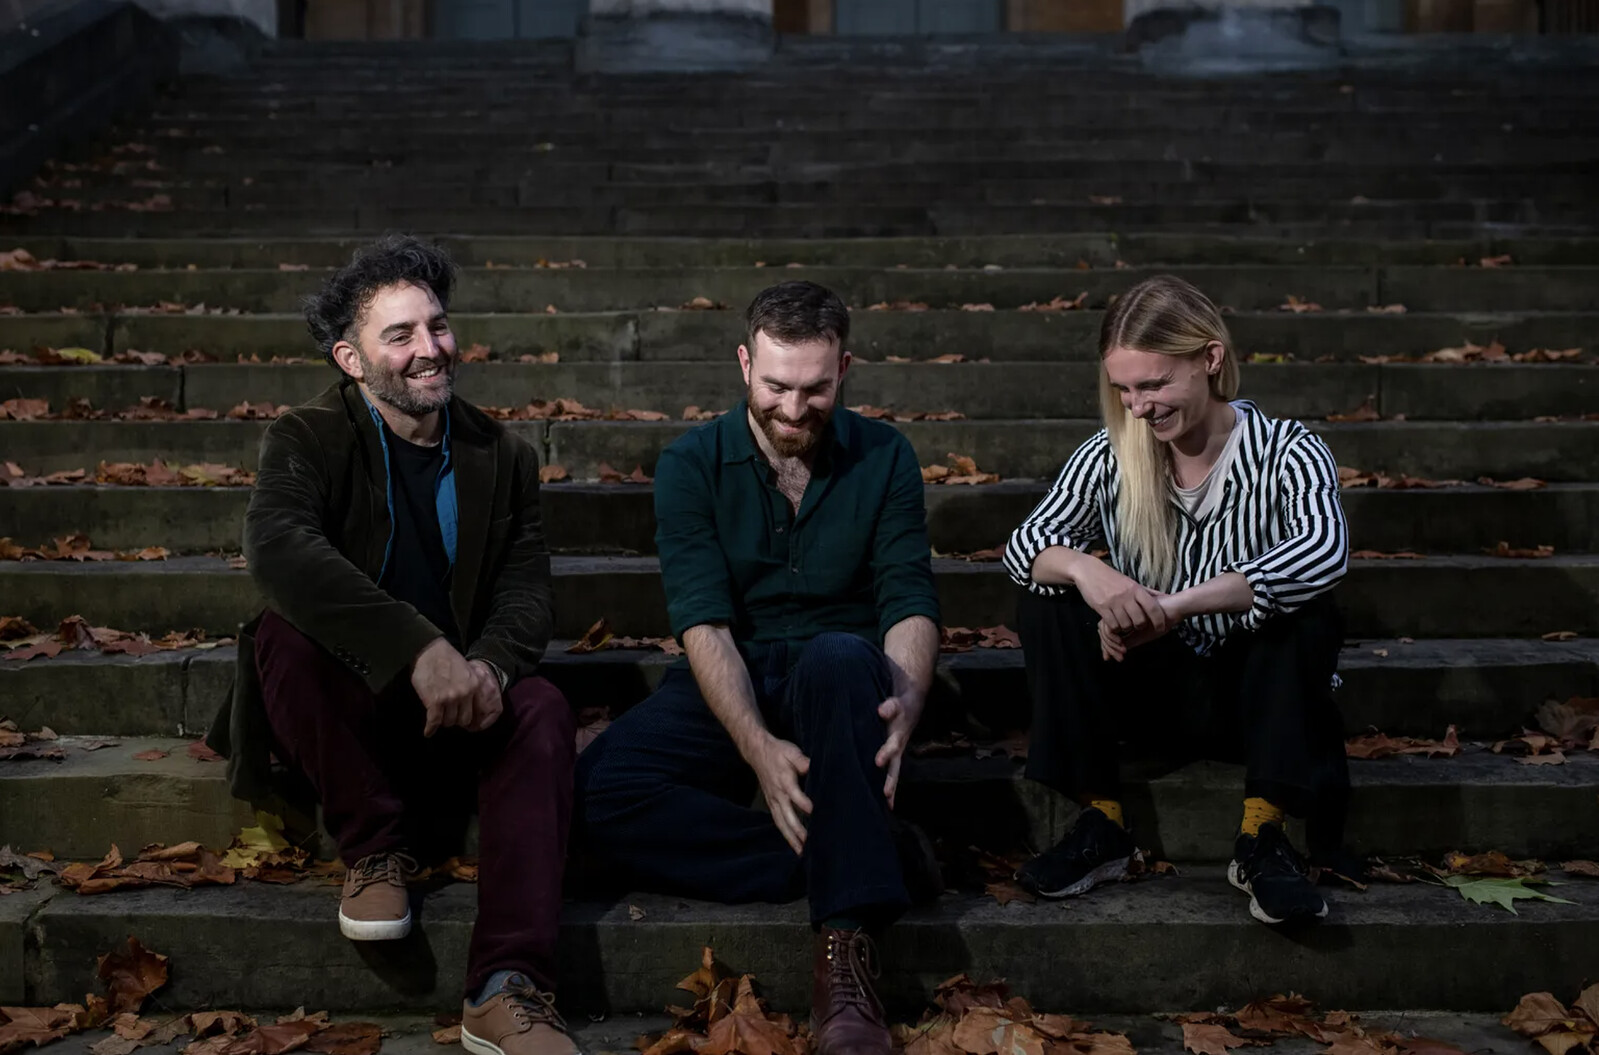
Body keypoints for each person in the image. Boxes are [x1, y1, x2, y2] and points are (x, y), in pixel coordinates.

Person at [206, 236, 581, 1055]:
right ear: (351, 359)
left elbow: (526, 592)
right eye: (400, 335)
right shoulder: (306, 436)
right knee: (281, 633)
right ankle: (374, 850)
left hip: (460, 714)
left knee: (545, 705)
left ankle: (507, 985)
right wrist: (419, 649)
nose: (429, 349)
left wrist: (485, 667)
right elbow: (278, 548)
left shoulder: (502, 454)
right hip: (350, 715)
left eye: (437, 326)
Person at [575, 281, 942, 1055]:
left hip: (837, 682)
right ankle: (868, 849)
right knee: (594, 796)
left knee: (839, 655)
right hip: (729, 671)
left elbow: (908, 599)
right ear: (744, 364)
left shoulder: (885, 455)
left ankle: (845, 951)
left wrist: (905, 700)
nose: (793, 408)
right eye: (775, 385)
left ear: (844, 369)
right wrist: (754, 745)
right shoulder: (691, 463)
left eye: (815, 388)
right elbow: (701, 622)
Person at [1002, 275, 1350, 926]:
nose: (1138, 407)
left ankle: (1262, 835)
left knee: (1308, 608)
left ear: (1209, 359)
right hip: (1147, 695)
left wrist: (1175, 606)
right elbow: (1024, 546)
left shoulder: (1287, 450)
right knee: (1046, 598)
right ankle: (1102, 822)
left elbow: (1324, 550)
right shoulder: (1110, 455)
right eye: (1123, 389)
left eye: (1153, 384)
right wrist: (1090, 574)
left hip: (1256, 700)